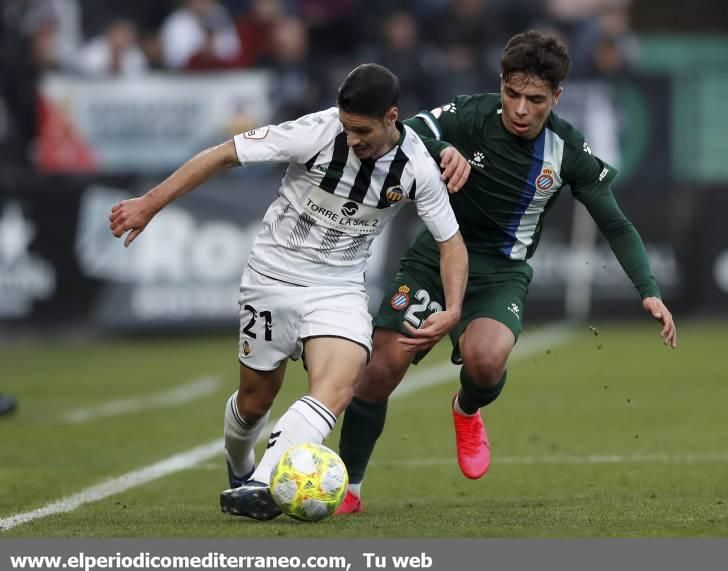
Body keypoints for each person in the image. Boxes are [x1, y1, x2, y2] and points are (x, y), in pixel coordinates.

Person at [335, 30, 677, 514]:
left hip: (500, 271)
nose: (520, 108)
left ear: (556, 97)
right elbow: (408, 130)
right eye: (512, 94)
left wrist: (649, 290)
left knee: (487, 359)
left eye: (534, 99)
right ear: (500, 85)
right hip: (437, 256)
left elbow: (615, 223)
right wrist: (441, 150)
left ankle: (467, 409)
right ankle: (349, 489)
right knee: (382, 368)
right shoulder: (470, 115)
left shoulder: (565, 150)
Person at [108, 63, 469, 521]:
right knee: (256, 398)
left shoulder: (416, 166)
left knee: (338, 384)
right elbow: (224, 154)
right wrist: (149, 203)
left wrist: (454, 307)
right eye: (346, 127)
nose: (352, 139)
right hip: (272, 278)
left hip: (337, 288)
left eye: (361, 130)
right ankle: (241, 467)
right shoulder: (315, 133)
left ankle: (264, 483)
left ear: (392, 116)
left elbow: (451, 244)